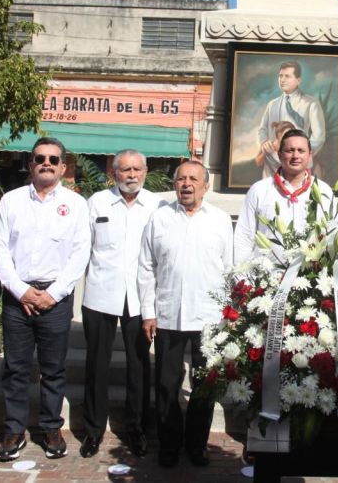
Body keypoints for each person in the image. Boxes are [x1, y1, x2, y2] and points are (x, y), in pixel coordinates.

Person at [0, 137, 90, 462]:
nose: (46, 163)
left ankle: (50, 426)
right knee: (16, 368)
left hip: (56, 299)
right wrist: (20, 290)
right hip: (18, 298)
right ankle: (15, 429)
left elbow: (80, 253)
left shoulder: (76, 204)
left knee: (53, 369)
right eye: (39, 158)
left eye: (53, 159)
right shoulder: (11, 201)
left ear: (63, 166)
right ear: (30, 164)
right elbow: (0, 250)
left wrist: (53, 293)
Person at [138, 160, 233, 468]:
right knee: (166, 384)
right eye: (181, 179)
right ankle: (169, 444)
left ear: (206, 186)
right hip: (168, 314)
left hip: (209, 316)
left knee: (205, 385)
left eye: (194, 179)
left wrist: (231, 313)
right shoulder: (159, 218)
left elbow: (230, 269)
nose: (187, 184)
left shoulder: (219, 221)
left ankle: (196, 444)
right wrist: (147, 312)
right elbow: (145, 268)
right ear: (175, 184)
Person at [79, 149, 164, 459]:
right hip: (101, 295)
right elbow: (82, 248)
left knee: (139, 367)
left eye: (137, 169)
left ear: (145, 171)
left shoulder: (158, 205)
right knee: (95, 366)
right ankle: (92, 431)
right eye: (125, 169)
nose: (131, 175)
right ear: (113, 173)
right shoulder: (97, 202)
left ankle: (136, 429)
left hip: (141, 299)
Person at [235, 128, 333, 262]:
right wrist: (242, 279)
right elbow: (244, 237)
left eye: (301, 150)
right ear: (280, 155)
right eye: (289, 150)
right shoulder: (259, 190)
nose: (295, 156)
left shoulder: (324, 191)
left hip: (311, 277)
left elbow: (332, 238)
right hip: (267, 279)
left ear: (310, 155)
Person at [256, 62, 326, 178]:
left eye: (287, 76)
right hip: (272, 167)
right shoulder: (272, 104)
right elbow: (262, 129)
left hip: (298, 166)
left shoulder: (310, 103)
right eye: (280, 76)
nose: (282, 79)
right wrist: (264, 143)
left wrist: (301, 155)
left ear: (298, 80)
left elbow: (319, 137)